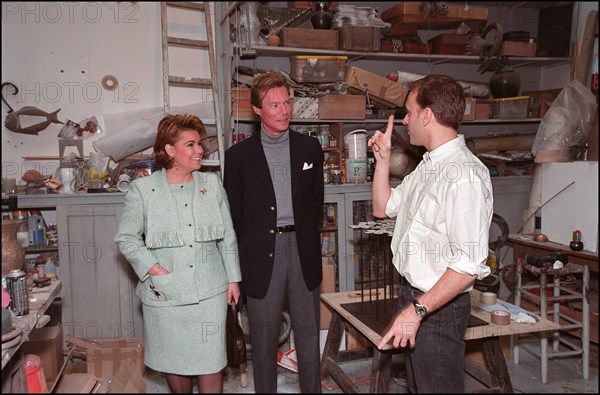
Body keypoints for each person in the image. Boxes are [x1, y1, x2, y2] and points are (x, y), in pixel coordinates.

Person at [368, 75, 493, 393]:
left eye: (409, 112)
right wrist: (382, 161)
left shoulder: (464, 176)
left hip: (437, 309)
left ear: (427, 115)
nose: (406, 120)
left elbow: (466, 267)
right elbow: (383, 208)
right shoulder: (428, 166)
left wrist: (418, 310)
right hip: (414, 296)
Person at [115, 114, 241, 393]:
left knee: (211, 363)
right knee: (175, 363)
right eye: (191, 145)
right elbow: (126, 238)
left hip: (210, 291)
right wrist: (154, 269)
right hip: (166, 293)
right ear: (170, 150)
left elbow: (228, 236)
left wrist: (233, 279)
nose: (200, 151)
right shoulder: (143, 191)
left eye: (200, 144)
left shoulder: (212, 186)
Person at [223, 71, 324, 393]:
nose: (284, 111)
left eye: (287, 103)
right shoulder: (238, 157)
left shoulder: (310, 149)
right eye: (274, 105)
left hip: (302, 250)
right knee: (264, 339)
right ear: (257, 109)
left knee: (308, 336)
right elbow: (234, 218)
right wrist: (236, 271)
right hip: (260, 254)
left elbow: (315, 204)